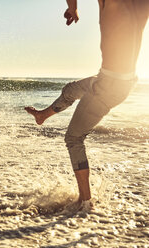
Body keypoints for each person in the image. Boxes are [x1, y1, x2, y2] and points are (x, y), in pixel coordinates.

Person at [25, 0, 149, 209]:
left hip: (109, 85)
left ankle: (85, 202)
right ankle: (43, 115)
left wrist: (73, 8)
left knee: (73, 138)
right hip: (119, 80)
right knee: (70, 90)